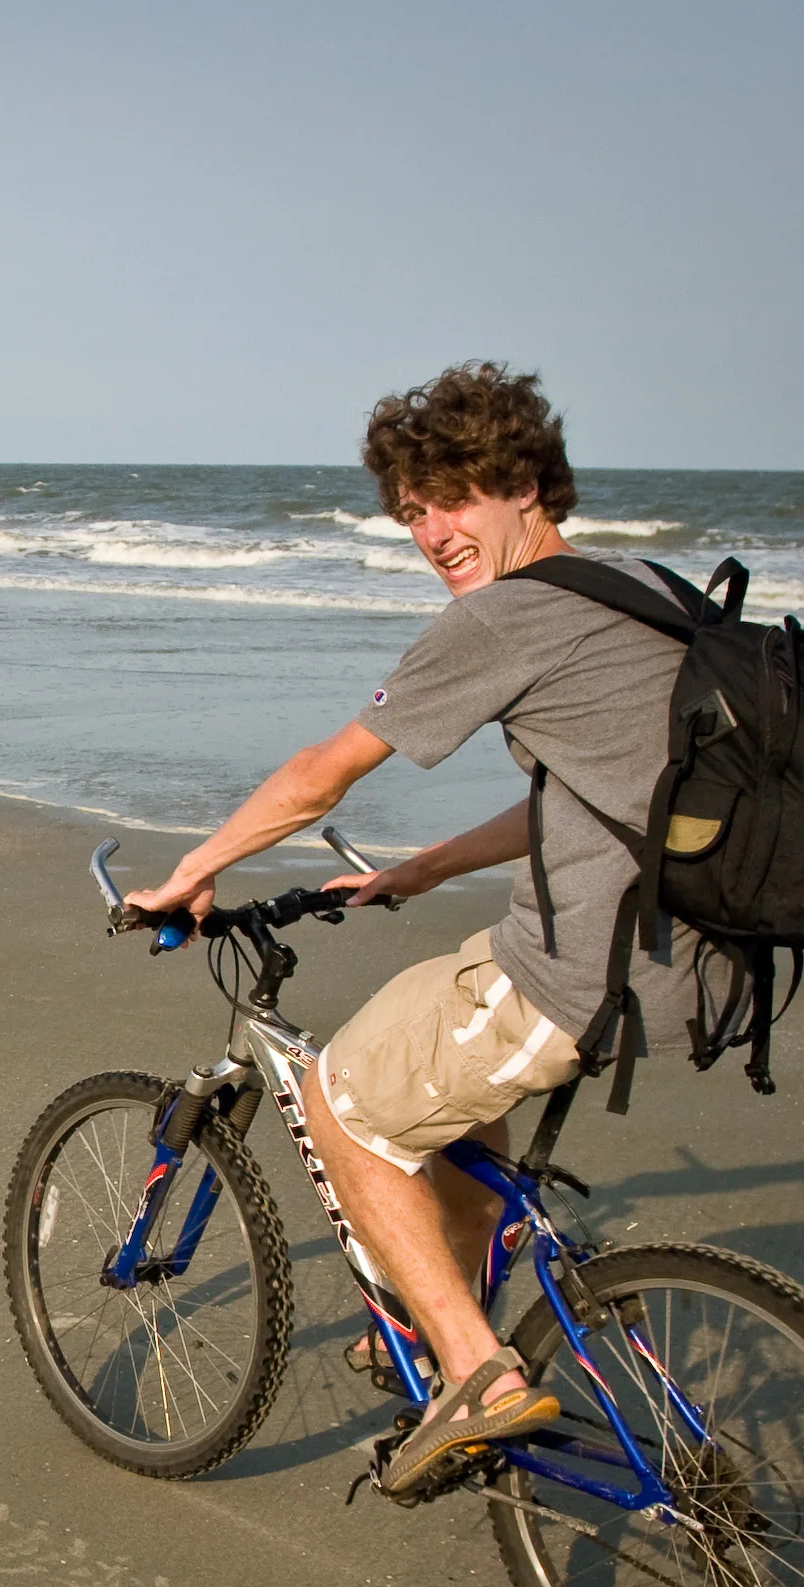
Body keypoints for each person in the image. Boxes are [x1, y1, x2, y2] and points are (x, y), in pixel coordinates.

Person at [123, 362, 698, 1492]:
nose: (433, 529)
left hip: (584, 966)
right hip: (698, 959)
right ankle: (449, 1315)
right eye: (412, 510)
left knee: (341, 1099)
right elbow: (598, 790)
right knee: (445, 1103)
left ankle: (477, 1372)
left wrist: (190, 873)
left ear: (525, 481)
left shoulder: (504, 617)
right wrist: (430, 866)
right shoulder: (643, 587)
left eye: (454, 495)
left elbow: (319, 776)